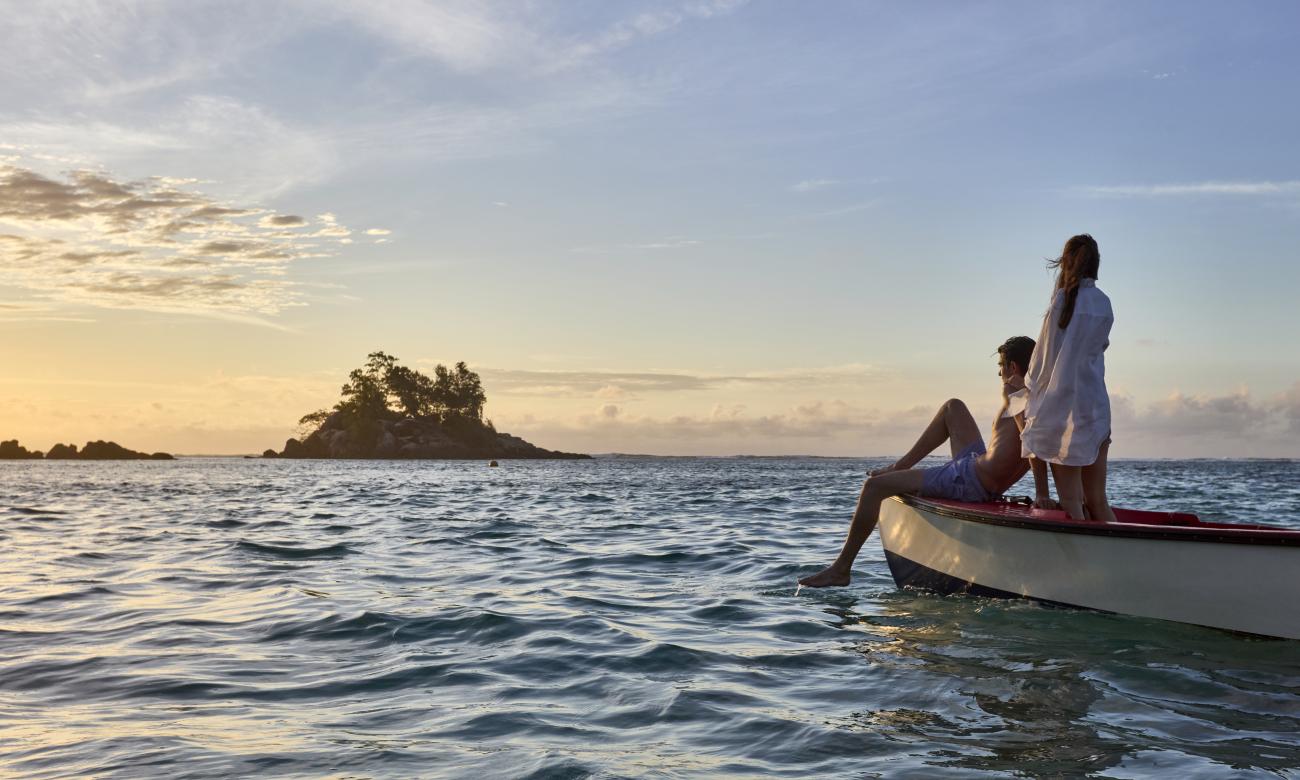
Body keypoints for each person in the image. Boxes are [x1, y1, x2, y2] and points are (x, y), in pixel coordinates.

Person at [799, 336, 1053, 588]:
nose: (1000, 376)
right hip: (978, 466)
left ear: (1012, 368)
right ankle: (900, 467)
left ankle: (841, 569)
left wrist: (1042, 492)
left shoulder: (1015, 393)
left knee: (873, 487)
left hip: (970, 479)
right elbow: (1043, 446)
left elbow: (1031, 442)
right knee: (953, 407)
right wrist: (1048, 492)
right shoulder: (1044, 397)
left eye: (1001, 369)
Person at [1020, 234, 1116, 523]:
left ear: (1066, 263)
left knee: (1071, 501)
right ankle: (1114, 559)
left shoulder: (1062, 301)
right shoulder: (1104, 302)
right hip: (1096, 408)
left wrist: (1026, 389)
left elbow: (1041, 361)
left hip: (1063, 413)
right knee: (1098, 501)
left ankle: (1083, 565)